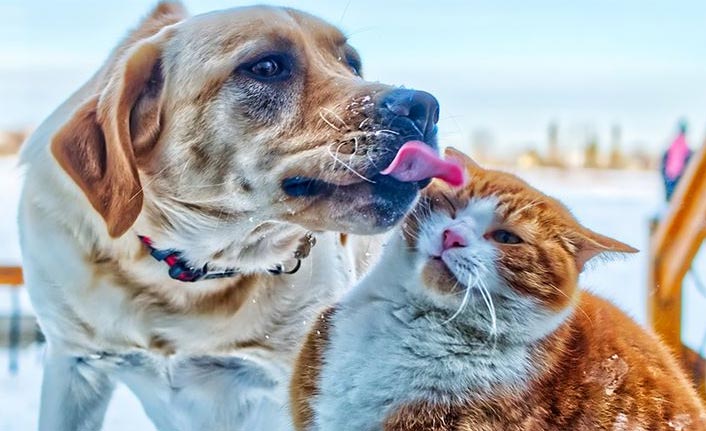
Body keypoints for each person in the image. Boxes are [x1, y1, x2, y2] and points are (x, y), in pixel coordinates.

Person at [661, 120, 693, 201]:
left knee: (672, 198)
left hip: (671, 175)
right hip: (676, 176)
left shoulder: (674, 143)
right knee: (675, 198)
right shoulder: (682, 143)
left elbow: (665, 158)